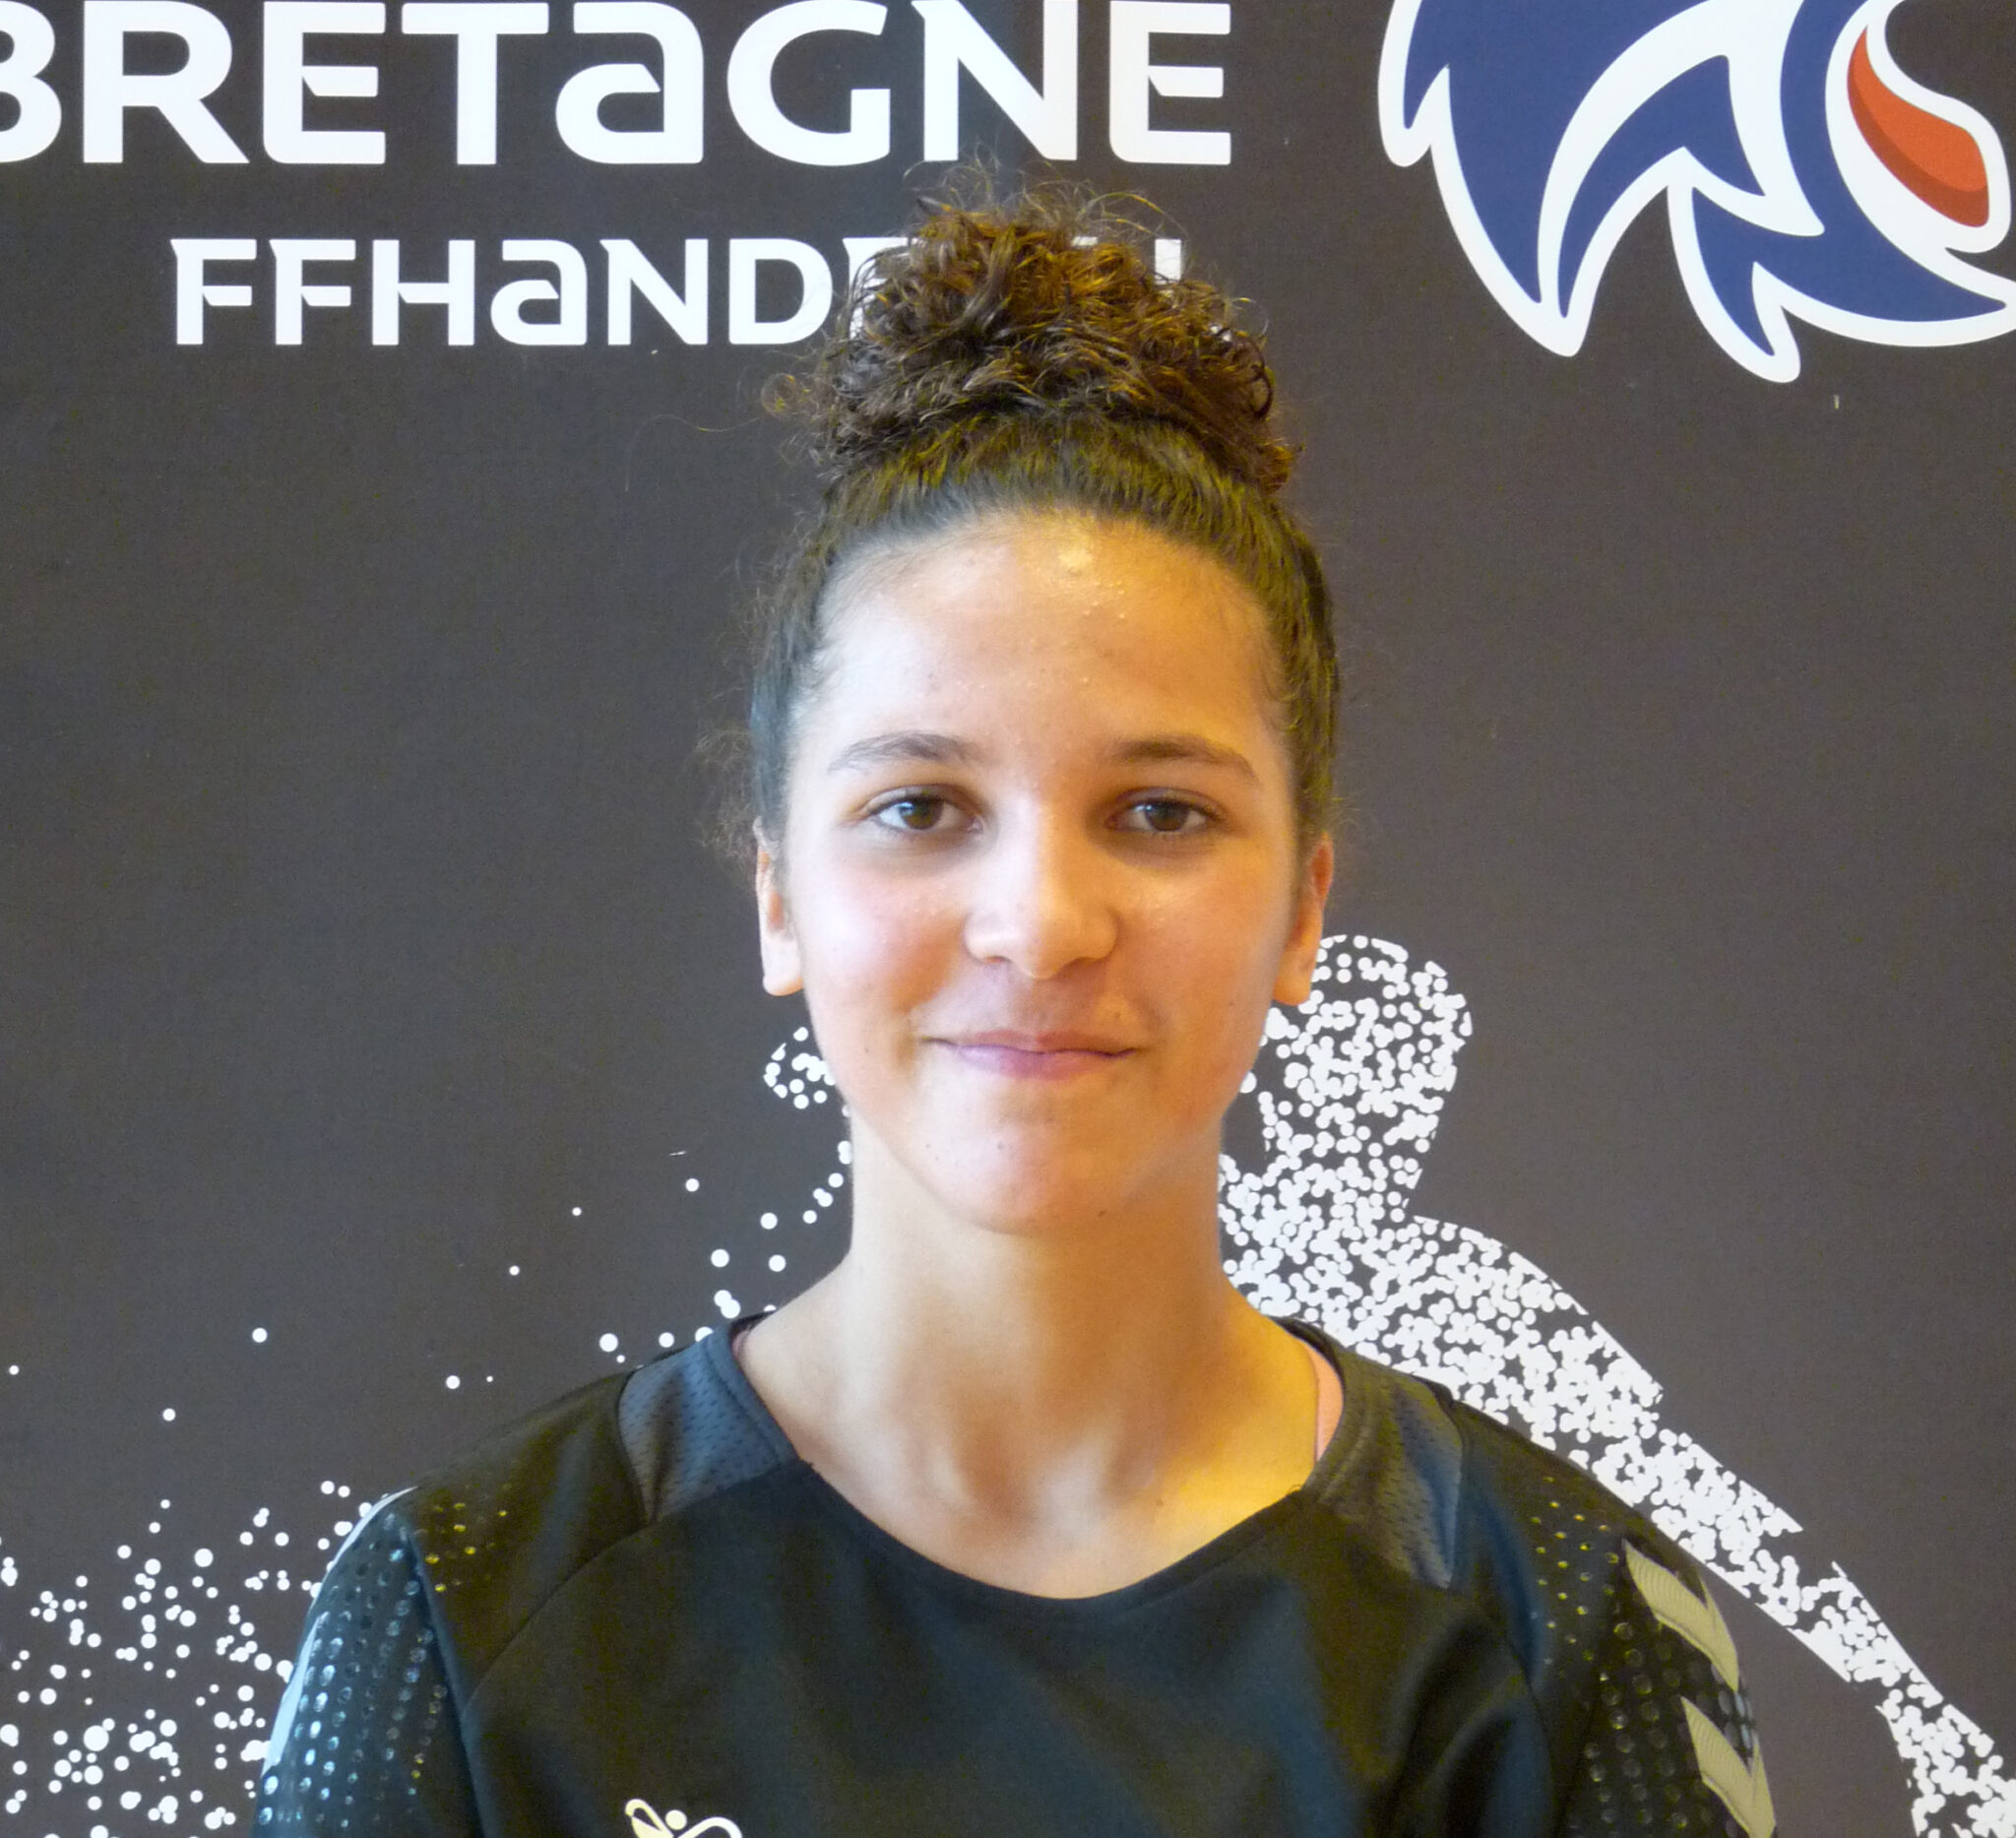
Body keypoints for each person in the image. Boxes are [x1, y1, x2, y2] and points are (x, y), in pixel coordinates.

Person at [253, 188, 1772, 1838]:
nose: (1040, 924)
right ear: (780, 895)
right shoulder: (465, 1619)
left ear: (1303, 906)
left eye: (1161, 813)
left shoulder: (1561, 1635)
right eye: (920, 808)